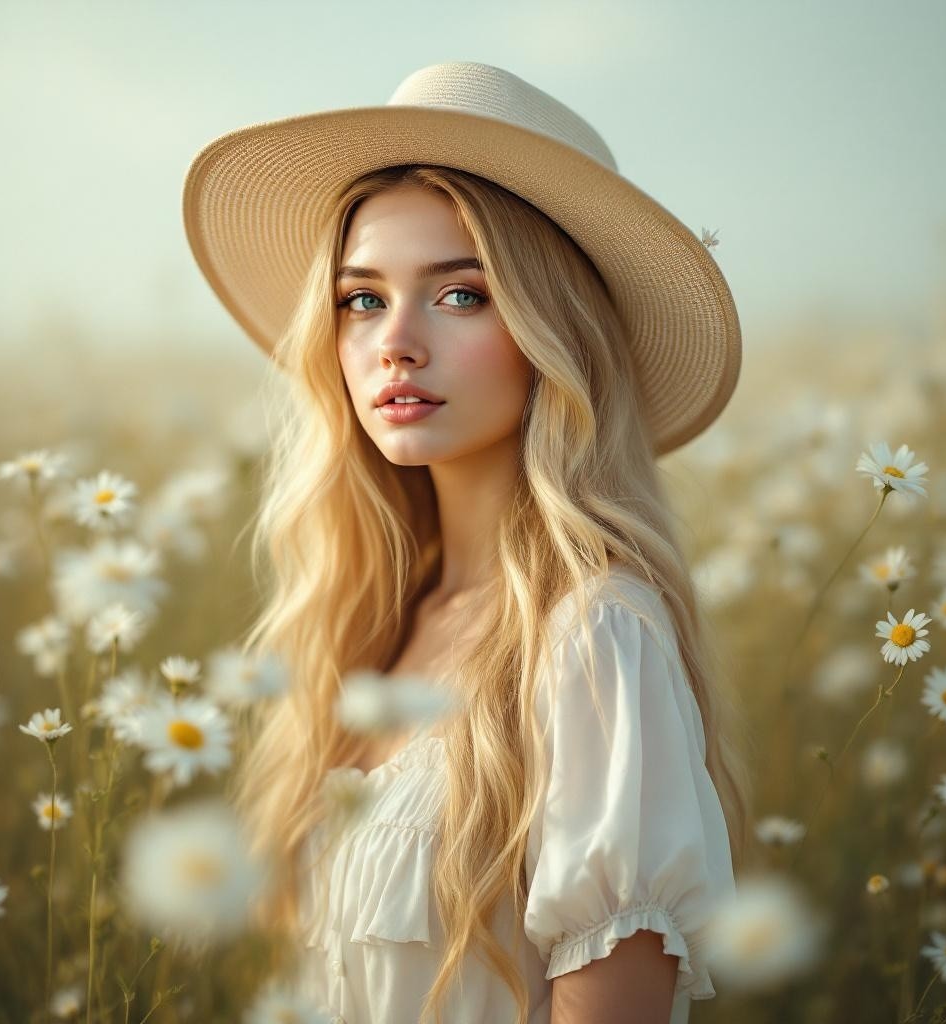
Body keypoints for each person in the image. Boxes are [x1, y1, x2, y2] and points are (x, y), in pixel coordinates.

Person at [183, 60, 752, 1024]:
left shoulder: (596, 638)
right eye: (362, 299)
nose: (395, 343)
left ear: (554, 332)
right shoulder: (370, 621)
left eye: (460, 295)